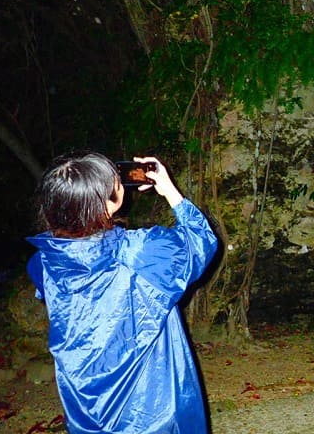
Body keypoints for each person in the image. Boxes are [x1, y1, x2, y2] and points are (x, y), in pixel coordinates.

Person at [26, 152, 218, 434]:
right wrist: (169, 190)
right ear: (106, 205)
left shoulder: (42, 263)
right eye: (114, 182)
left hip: (85, 408)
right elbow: (200, 242)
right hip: (151, 411)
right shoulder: (139, 251)